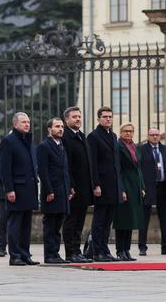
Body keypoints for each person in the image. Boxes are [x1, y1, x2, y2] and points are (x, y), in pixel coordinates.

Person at [0, 112, 40, 266]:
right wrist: (9, 189)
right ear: (15, 124)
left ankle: (25, 254)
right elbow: (5, 169)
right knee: (15, 223)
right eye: (23, 122)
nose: (27, 124)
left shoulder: (28, 140)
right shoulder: (8, 141)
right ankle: (14, 255)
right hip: (16, 189)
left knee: (26, 224)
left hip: (29, 188)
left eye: (28, 122)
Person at [87, 106, 123, 262]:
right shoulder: (93, 136)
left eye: (110, 116)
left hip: (113, 184)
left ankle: (105, 249)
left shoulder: (114, 136)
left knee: (108, 221)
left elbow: (116, 163)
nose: (108, 119)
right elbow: (92, 163)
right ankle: (97, 251)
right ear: (98, 119)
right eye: (105, 117)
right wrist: (96, 185)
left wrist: (120, 187)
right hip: (101, 184)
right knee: (99, 220)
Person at [138, 128, 166, 256]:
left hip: (163, 187)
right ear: (148, 136)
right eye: (152, 135)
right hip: (148, 187)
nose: (155, 137)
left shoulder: (165, 149)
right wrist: (140, 187)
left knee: (164, 218)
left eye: (157, 135)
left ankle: (165, 246)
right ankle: (142, 246)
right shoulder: (141, 149)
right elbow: (138, 169)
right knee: (144, 218)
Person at [37, 118, 73, 264]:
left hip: (63, 191)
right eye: (57, 126)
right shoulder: (44, 146)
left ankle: (56, 254)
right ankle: (50, 255)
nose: (60, 129)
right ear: (49, 129)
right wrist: (49, 191)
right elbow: (43, 171)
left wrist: (69, 187)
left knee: (58, 225)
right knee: (50, 226)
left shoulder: (61, 145)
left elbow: (65, 170)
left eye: (62, 127)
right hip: (52, 192)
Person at [61, 106, 95, 263]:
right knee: (71, 221)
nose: (78, 119)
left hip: (84, 187)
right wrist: (70, 186)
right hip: (73, 188)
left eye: (79, 116)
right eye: (74, 117)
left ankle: (77, 250)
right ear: (66, 120)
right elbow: (66, 164)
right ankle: (70, 252)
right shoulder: (66, 137)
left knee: (80, 221)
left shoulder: (82, 136)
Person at [112, 123, 145, 261]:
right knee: (122, 221)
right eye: (125, 131)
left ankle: (127, 250)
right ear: (120, 133)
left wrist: (142, 187)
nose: (128, 133)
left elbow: (139, 169)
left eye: (131, 131)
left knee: (131, 221)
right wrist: (121, 189)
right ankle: (120, 250)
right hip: (125, 185)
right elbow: (117, 169)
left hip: (135, 186)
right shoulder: (118, 146)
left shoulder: (135, 146)